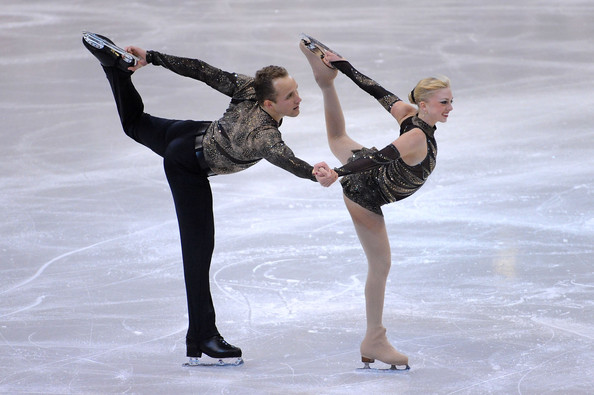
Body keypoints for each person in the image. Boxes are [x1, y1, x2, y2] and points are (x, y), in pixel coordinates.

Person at [82, 32, 337, 366]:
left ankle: (114, 68)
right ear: (269, 103)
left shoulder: (248, 87)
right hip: (187, 164)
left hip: (188, 134)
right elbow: (284, 158)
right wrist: (314, 173)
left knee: (134, 124)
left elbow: (201, 70)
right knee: (197, 253)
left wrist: (153, 57)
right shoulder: (264, 134)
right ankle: (202, 336)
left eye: (296, 91)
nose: (298, 99)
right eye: (290, 96)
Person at [300, 34, 453, 370]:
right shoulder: (414, 134)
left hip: (368, 171)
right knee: (380, 266)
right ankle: (374, 337)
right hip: (366, 192)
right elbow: (383, 157)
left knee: (338, 138)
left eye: (450, 101)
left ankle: (325, 83)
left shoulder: (409, 114)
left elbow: (374, 88)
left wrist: (342, 65)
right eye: (444, 102)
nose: (449, 108)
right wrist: (339, 173)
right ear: (425, 105)